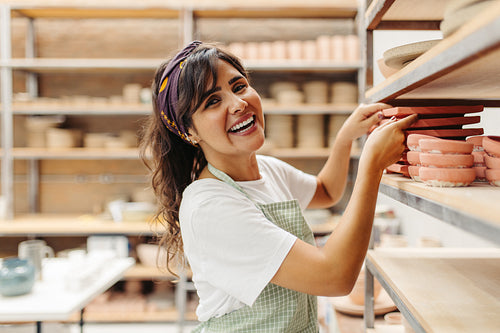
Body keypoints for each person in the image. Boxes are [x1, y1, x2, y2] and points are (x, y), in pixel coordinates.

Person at [140, 40, 417, 332]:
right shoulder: (210, 206)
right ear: (190, 132)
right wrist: (371, 167)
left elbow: (326, 191)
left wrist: (345, 138)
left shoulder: (267, 169)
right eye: (212, 101)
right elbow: (334, 276)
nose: (238, 104)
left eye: (238, 86)